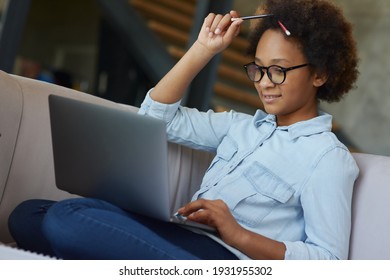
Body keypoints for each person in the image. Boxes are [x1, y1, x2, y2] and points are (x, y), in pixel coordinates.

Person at [8, 0, 359, 260]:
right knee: (29, 214)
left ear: (320, 74)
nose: (265, 83)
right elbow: (155, 118)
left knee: (68, 220)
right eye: (258, 69)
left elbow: (328, 261)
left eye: (278, 70)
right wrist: (202, 49)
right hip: (181, 237)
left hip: (222, 260)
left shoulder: (327, 157)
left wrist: (238, 234)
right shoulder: (240, 127)